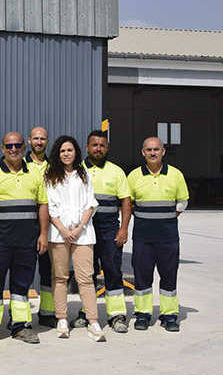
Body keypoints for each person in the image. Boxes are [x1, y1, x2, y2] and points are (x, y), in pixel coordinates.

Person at [0, 132, 49, 345]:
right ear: (2, 149)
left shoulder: (36, 173)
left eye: (18, 145)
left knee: (22, 285)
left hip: (27, 242)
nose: (13, 149)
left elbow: (43, 205)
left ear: (24, 147)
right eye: (9, 146)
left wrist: (44, 234)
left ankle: (21, 325)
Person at [44, 135, 106, 342]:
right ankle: (62, 318)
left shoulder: (84, 174)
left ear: (76, 152)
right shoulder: (50, 175)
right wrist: (63, 229)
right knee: (60, 277)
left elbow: (91, 203)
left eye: (69, 150)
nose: (66, 154)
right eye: (62, 151)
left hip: (83, 234)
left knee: (85, 278)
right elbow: (50, 206)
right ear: (57, 154)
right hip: (58, 234)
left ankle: (93, 320)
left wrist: (80, 227)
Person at [127, 137, 189, 332]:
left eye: (156, 149)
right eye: (149, 150)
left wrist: (165, 218)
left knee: (169, 274)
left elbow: (182, 203)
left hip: (168, 236)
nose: (153, 153)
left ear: (163, 152)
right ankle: (143, 314)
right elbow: (129, 203)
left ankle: (169, 315)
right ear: (143, 153)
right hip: (143, 237)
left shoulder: (176, 175)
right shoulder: (134, 176)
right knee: (142, 275)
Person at [83, 130, 133, 333]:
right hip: (85, 229)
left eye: (102, 145)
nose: (98, 148)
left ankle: (117, 314)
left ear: (107, 148)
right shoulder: (77, 170)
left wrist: (123, 229)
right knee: (87, 273)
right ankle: (88, 314)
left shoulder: (116, 171)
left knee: (113, 270)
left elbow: (126, 202)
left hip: (109, 228)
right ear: (87, 147)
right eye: (94, 145)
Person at [26, 126, 56, 327]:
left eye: (42, 139)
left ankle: (47, 312)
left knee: (49, 270)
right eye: (35, 138)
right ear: (29, 141)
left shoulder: (54, 166)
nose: (39, 142)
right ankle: (20, 316)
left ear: (47, 141)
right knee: (24, 271)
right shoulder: (19, 163)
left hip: (51, 224)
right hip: (27, 224)